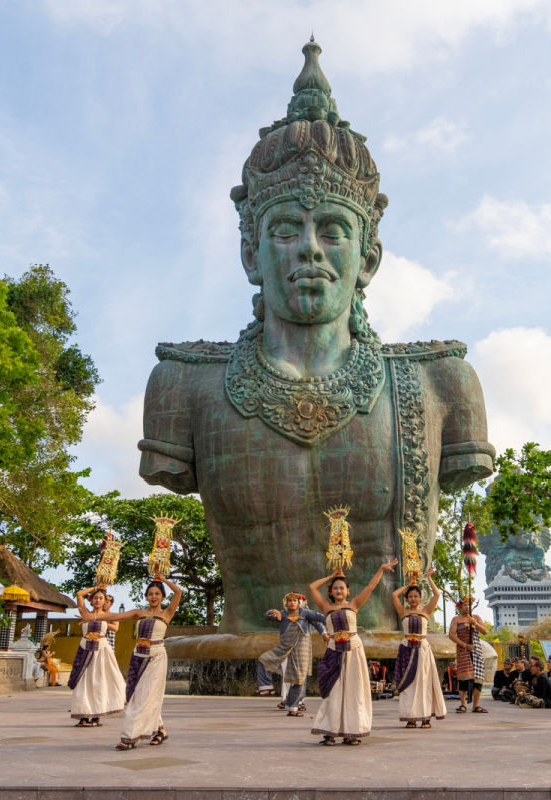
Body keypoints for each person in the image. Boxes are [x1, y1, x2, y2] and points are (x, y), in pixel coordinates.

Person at [138, 40, 495, 635]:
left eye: (332, 230)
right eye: (285, 230)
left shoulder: (440, 383)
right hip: (246, 664)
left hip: (388, 660)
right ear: (251, 254)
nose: (309, 248)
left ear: (368, 258)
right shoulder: (184, 386)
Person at [308, 558, 398, 745]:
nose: (338, 590)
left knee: (353, 692)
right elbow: (312, 587)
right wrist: (331, 576)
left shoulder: (354, 604)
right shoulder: (326, 607)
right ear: (331, 591)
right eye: (335, 588)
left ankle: (352, 732)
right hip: (334, 652)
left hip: (353, 651)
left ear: (348, 591)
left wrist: (381, 569)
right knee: (334, 690)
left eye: (342, 588)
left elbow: (370, 587)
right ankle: (330, 731)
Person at [92, 574, 183, 749]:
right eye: (150, 594)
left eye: (157, 594)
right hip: (138, 656)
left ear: (163, 597)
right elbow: (115, 616)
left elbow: (178, 592)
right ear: (146, 596)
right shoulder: (139, 613)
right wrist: (93, 617)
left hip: (156, 658)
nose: (153, 597)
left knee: (144, 696)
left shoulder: (166, 613)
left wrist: (163, 579)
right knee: (138, 696)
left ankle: (130, 737)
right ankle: (160, 730)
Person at [391, 566, 447, 728]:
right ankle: (410, 717)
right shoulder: (403, 612)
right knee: (409, 685)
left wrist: (429, 578)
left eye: (416, 596)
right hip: (406, 649)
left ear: (421, 598)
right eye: (410, 596)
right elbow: (394, 595)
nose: (413, 598)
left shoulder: (426, 612)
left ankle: (425, 717)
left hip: (422, 650)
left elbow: (437, 595)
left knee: (423, 683)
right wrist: (408, 585)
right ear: (407, 598)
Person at [260, 592, 328, 716]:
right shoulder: (283, 614)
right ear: (286, 603)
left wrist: (329, 627)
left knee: (299, 679)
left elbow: (320, 619)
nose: (292, 603)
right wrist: (271, 611)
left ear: (299, 603)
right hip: (285, 647)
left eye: (295, 600)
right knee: (264, 659)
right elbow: (267, 616)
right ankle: (266, 687)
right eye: (290, 600)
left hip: (301, 649)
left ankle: (293, 707)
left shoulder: (305, 613)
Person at [69, 587, 126, 727]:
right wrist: (96, 587)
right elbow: (79, 594)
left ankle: (96, 716)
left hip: (101, 652)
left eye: (101, 598)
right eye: (95, 597)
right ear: (91, 600)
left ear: (105, 601)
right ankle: (83, 715)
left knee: (100, 683)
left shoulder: (108, 616)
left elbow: (116, 627)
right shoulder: (85, 613)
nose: (97, 600)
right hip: (84, 650)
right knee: (83, 683)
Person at [448, 597, 488, 713]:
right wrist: (465, 645)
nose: (467, 607)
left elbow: (485, 631)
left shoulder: (476, 618)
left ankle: (476, 705)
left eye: (469, 605)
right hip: (463, 650)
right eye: (465, 605)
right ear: (460, 607)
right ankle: (463, 704)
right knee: (464, 678)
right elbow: (451, 635)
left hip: (476, 650)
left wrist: (474, 623)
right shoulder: (456, 619)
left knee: (478, 678)